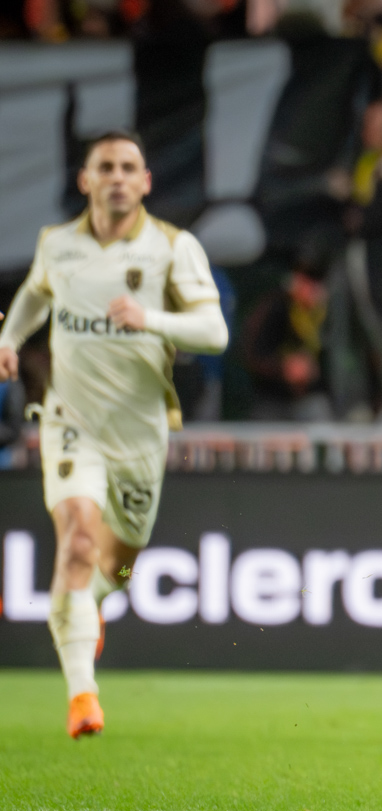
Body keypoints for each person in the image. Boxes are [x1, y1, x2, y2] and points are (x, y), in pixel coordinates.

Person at [0, 131, 228, 738]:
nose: (118, 178)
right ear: (86, 180)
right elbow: (35, 294)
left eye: (129, 168)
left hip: (140, 431)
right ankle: (83, 695)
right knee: (77, 542)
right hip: (70, 421)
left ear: (146, 181)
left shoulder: (172, 247)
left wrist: (148, 318)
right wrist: (9, 338)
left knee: (121, 566)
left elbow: (215, 333)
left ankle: (96, 600)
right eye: (106, 167)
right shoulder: (57, 244)